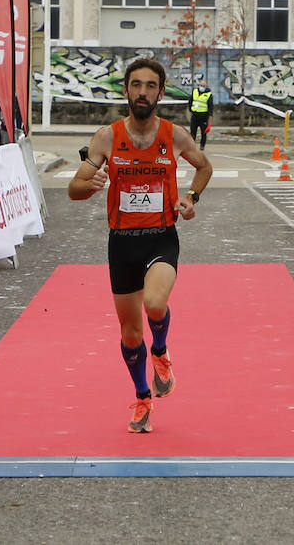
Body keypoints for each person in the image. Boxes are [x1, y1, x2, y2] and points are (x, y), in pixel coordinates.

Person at [66, 57, 212, 433]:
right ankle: (143, 396)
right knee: (131, 335)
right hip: (122, 243)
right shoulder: (107, 137)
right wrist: (91, 184)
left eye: (150, 86)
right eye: (136, 85)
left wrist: (191, 198)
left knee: (155, 303)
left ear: (161, 92)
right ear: (126, 90)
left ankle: (160, 351)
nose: (142, 92)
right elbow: (74, 189)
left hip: (161, 236)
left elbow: (204, 166)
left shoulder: (175, 135)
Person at [189, 77, 213, 150]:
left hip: (203, 116)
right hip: (195, 115)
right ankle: (192, 145)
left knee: (203, 132)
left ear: (206, 87)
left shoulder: (208, 94)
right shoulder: (195, 91)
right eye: (201, 85)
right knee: (193, 131)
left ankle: (202, 146)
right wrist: (190, 110)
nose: (201, 87)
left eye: (203, 86)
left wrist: (210, 117)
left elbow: (210, 106)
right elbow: (190, 101)